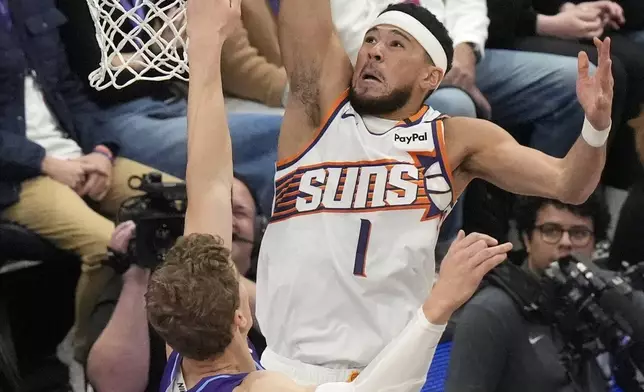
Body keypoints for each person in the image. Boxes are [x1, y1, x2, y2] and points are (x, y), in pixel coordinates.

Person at [146, 1, 513, 391]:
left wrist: (204, 43)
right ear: (241, 317)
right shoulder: (258, 387)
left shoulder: (184, 359)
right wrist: (439, 304)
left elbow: (209, 183)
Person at [256, 0, 615, 384]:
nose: (375, 50)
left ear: (431, 76)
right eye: (371, 40)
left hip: (386, 371)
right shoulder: (317, 112)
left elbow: (568, 184)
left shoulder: (452, 140)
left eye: (396, 45)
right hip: (285, 369)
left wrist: (595, 127)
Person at [0, 0, 181, 356]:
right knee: (109, 248)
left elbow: (69, 91)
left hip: (76, 155)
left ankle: (176, 342)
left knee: (181, 205)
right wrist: (44, 163)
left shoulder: (30, 6)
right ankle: (86, 356)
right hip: (17, 178)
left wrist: (101, 151)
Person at [443, 193, 638, 392]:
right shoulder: (490, 312)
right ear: (527, 239)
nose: (566, 242)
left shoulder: (604, 297)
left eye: (579, 233)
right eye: (551, 231)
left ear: (595, 244)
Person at [81, 177, 260, 392]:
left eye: (238, 212)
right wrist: (138, 275)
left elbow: (289, 319)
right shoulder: (158, 289)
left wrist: (210, 269)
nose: (225, 223)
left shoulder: (273, 275)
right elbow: (112, 386)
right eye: (218, 213)